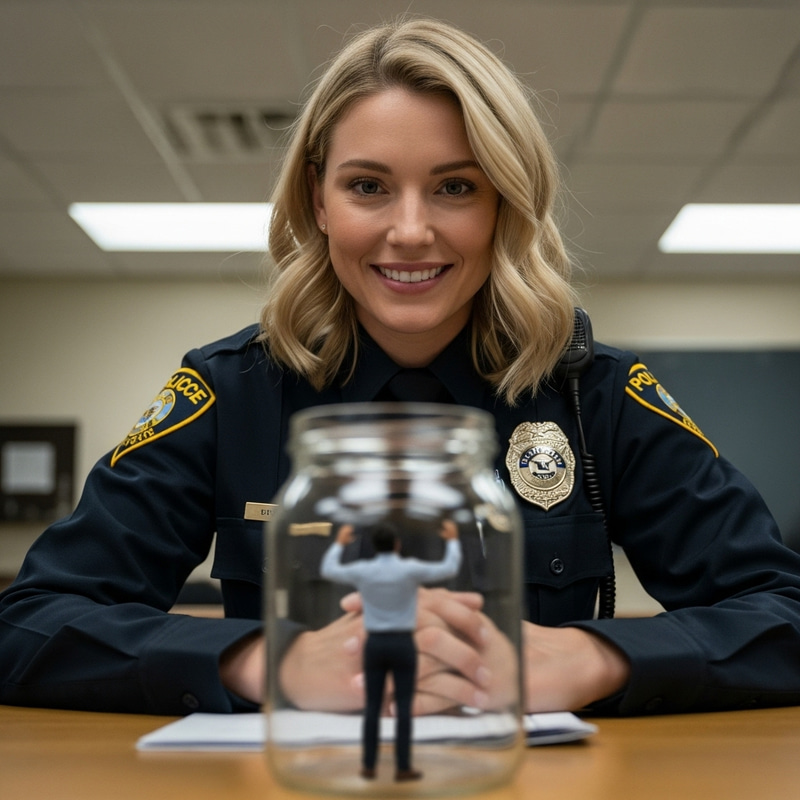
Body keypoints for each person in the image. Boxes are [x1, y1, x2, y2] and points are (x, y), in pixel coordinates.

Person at [2, 16, 800, 720]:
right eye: (368, 187)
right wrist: (266, 662)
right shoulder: (227, 393)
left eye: (455, 186)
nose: (410, 230)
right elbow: (30, 621)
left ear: (505, 205)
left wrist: (595, 658)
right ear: (319, 202)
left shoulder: (596, 398)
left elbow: (782, 611)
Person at [319, 520, 462, 781]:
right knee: (404, 707)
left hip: (374, 643)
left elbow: (329, 570)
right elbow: (448, 567)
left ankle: (369, 765)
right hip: (403, 643)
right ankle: (403, 766)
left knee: (372, 706)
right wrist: (452, 541)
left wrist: (339, 544)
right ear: (397, 544)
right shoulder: (408, 569)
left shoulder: (364, 570)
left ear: (374, 546)